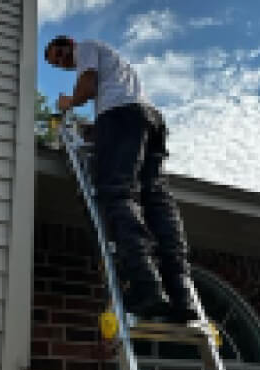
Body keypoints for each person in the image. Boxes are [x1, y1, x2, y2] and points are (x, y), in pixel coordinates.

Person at [44, 35, 197, 323]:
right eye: (57, 64)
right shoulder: (116, 66)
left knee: (117, 192)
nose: (64, 62)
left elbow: (87, 86)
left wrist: (68, 102)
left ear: (70, 44)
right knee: (155, 201)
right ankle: (181, 294)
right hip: (149, 120)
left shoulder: (86, 48)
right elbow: (119, 104)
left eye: (61, 54)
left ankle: (145, 285)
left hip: (122, 117)